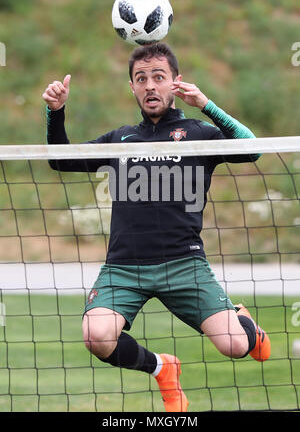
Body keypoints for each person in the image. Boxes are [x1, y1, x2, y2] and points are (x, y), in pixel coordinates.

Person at [42, 42, 271, 412]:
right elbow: (59, 161)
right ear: (132, 87)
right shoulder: (119, 140)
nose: (150, 86)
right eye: (141, 78)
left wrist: (207, 106)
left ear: (175, 83)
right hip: (124, 268)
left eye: (159, 77)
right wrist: (56, 112)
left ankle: (243, 323)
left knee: (235, 347)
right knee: (96, 336)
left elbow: (252, 148)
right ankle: (163, 368)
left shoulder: (199, 133)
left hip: (185, 265)